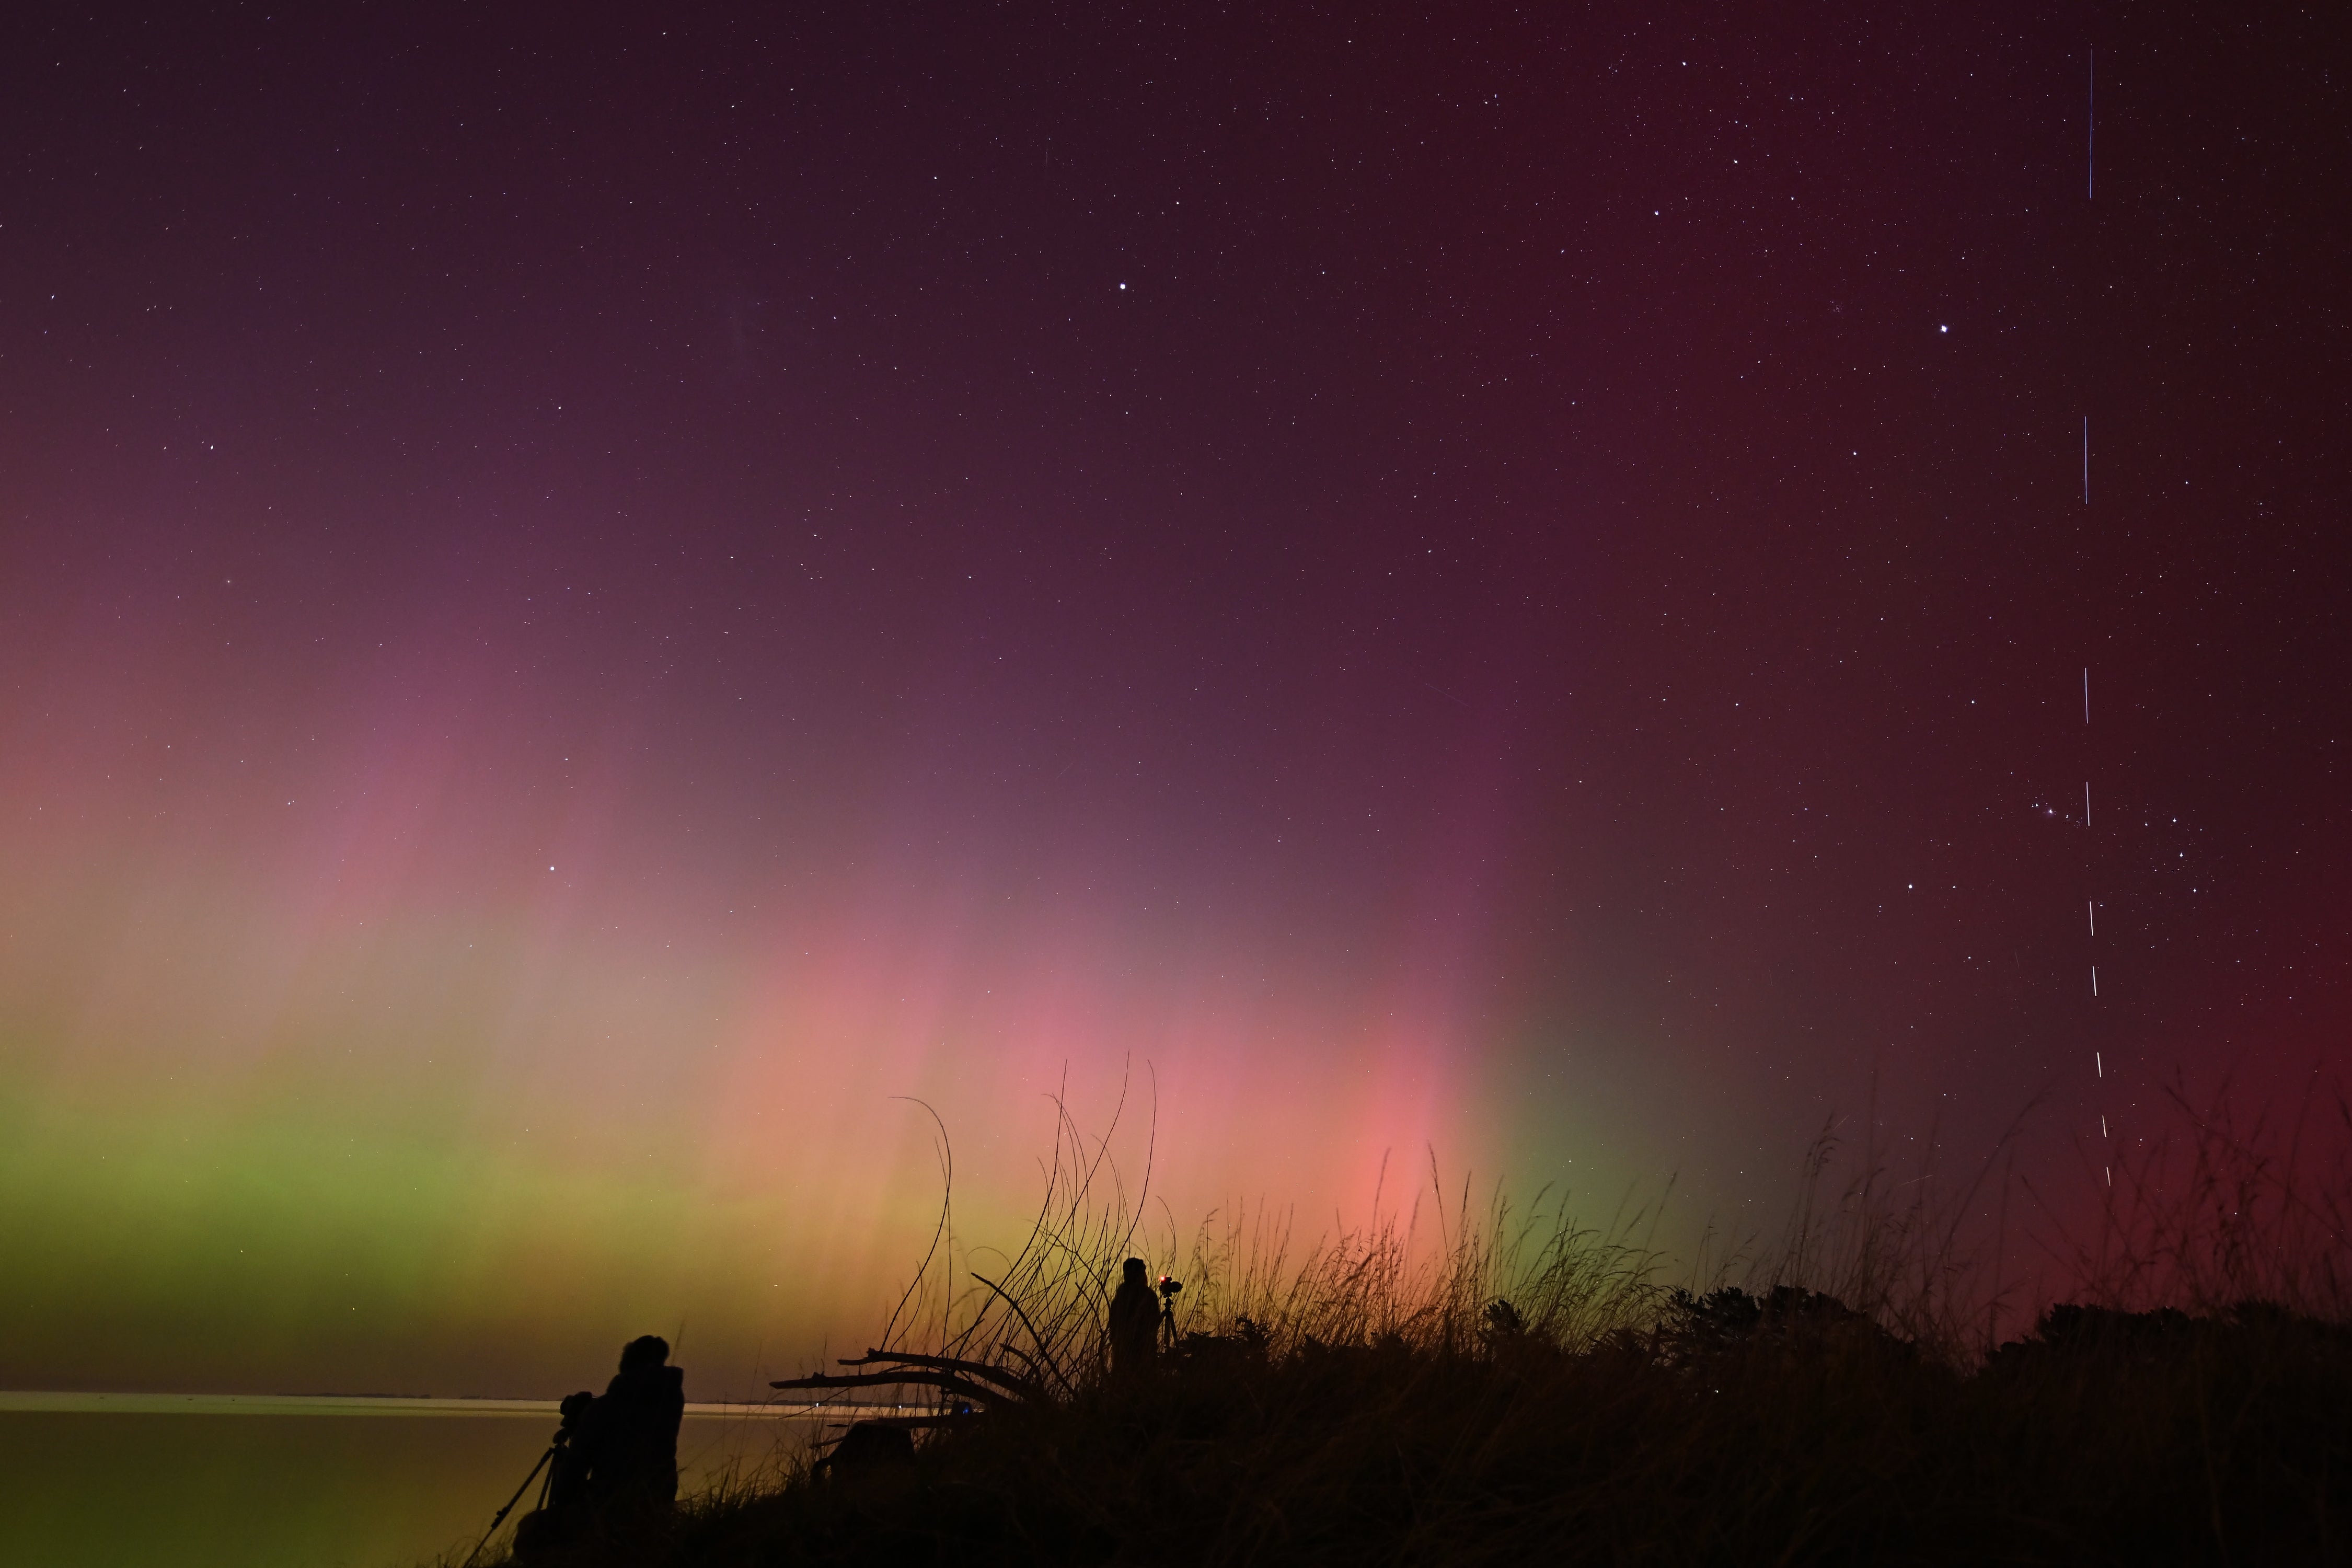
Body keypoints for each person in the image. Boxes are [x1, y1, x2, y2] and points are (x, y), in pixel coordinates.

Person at [585, 1334, 687, 1512]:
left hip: (609, 1503)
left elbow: (575, 1469)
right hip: (660, 1500)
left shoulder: (610, 1406)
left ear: (629, 1363)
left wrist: (587, 1416)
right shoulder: (670, 1400)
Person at [1108, 1258, 1159, 1378]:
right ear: (1140, 1275)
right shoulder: (1148, 1296)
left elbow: (1113, 1328)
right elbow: (1154, 1323)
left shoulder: (1119, 1298)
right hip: (1144, 1355)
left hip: (1121, 1357)